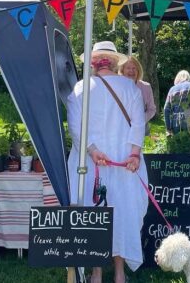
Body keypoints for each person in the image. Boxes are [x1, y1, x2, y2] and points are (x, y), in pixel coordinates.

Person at [67, 41, 147, 283]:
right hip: (124, 164)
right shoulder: (130, 88)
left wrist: (92, 151)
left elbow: (75, 126)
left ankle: (97, 272)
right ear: (114, 62)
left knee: (94, 214)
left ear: (93, 63)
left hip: (91, 165)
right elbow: (139, 123)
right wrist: (133, 154)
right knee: (121, 214)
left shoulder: (80, 88)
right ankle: (119, 273)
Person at [119, 55, 156, 135]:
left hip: (141, 129)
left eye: (134, 68)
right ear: (122, 71)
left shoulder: (146, 87)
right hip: (121, 129)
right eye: (128, 68)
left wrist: (141, 119)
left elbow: (152, 109)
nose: (131, 71)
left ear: (138, 70)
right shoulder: (117, 86)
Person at [163, 70, 190, 137]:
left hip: (175, 121)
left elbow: (166, 109)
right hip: (189, 119)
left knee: (178, 144)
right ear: (189, 78)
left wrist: (168, 128)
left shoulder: (172, 89)